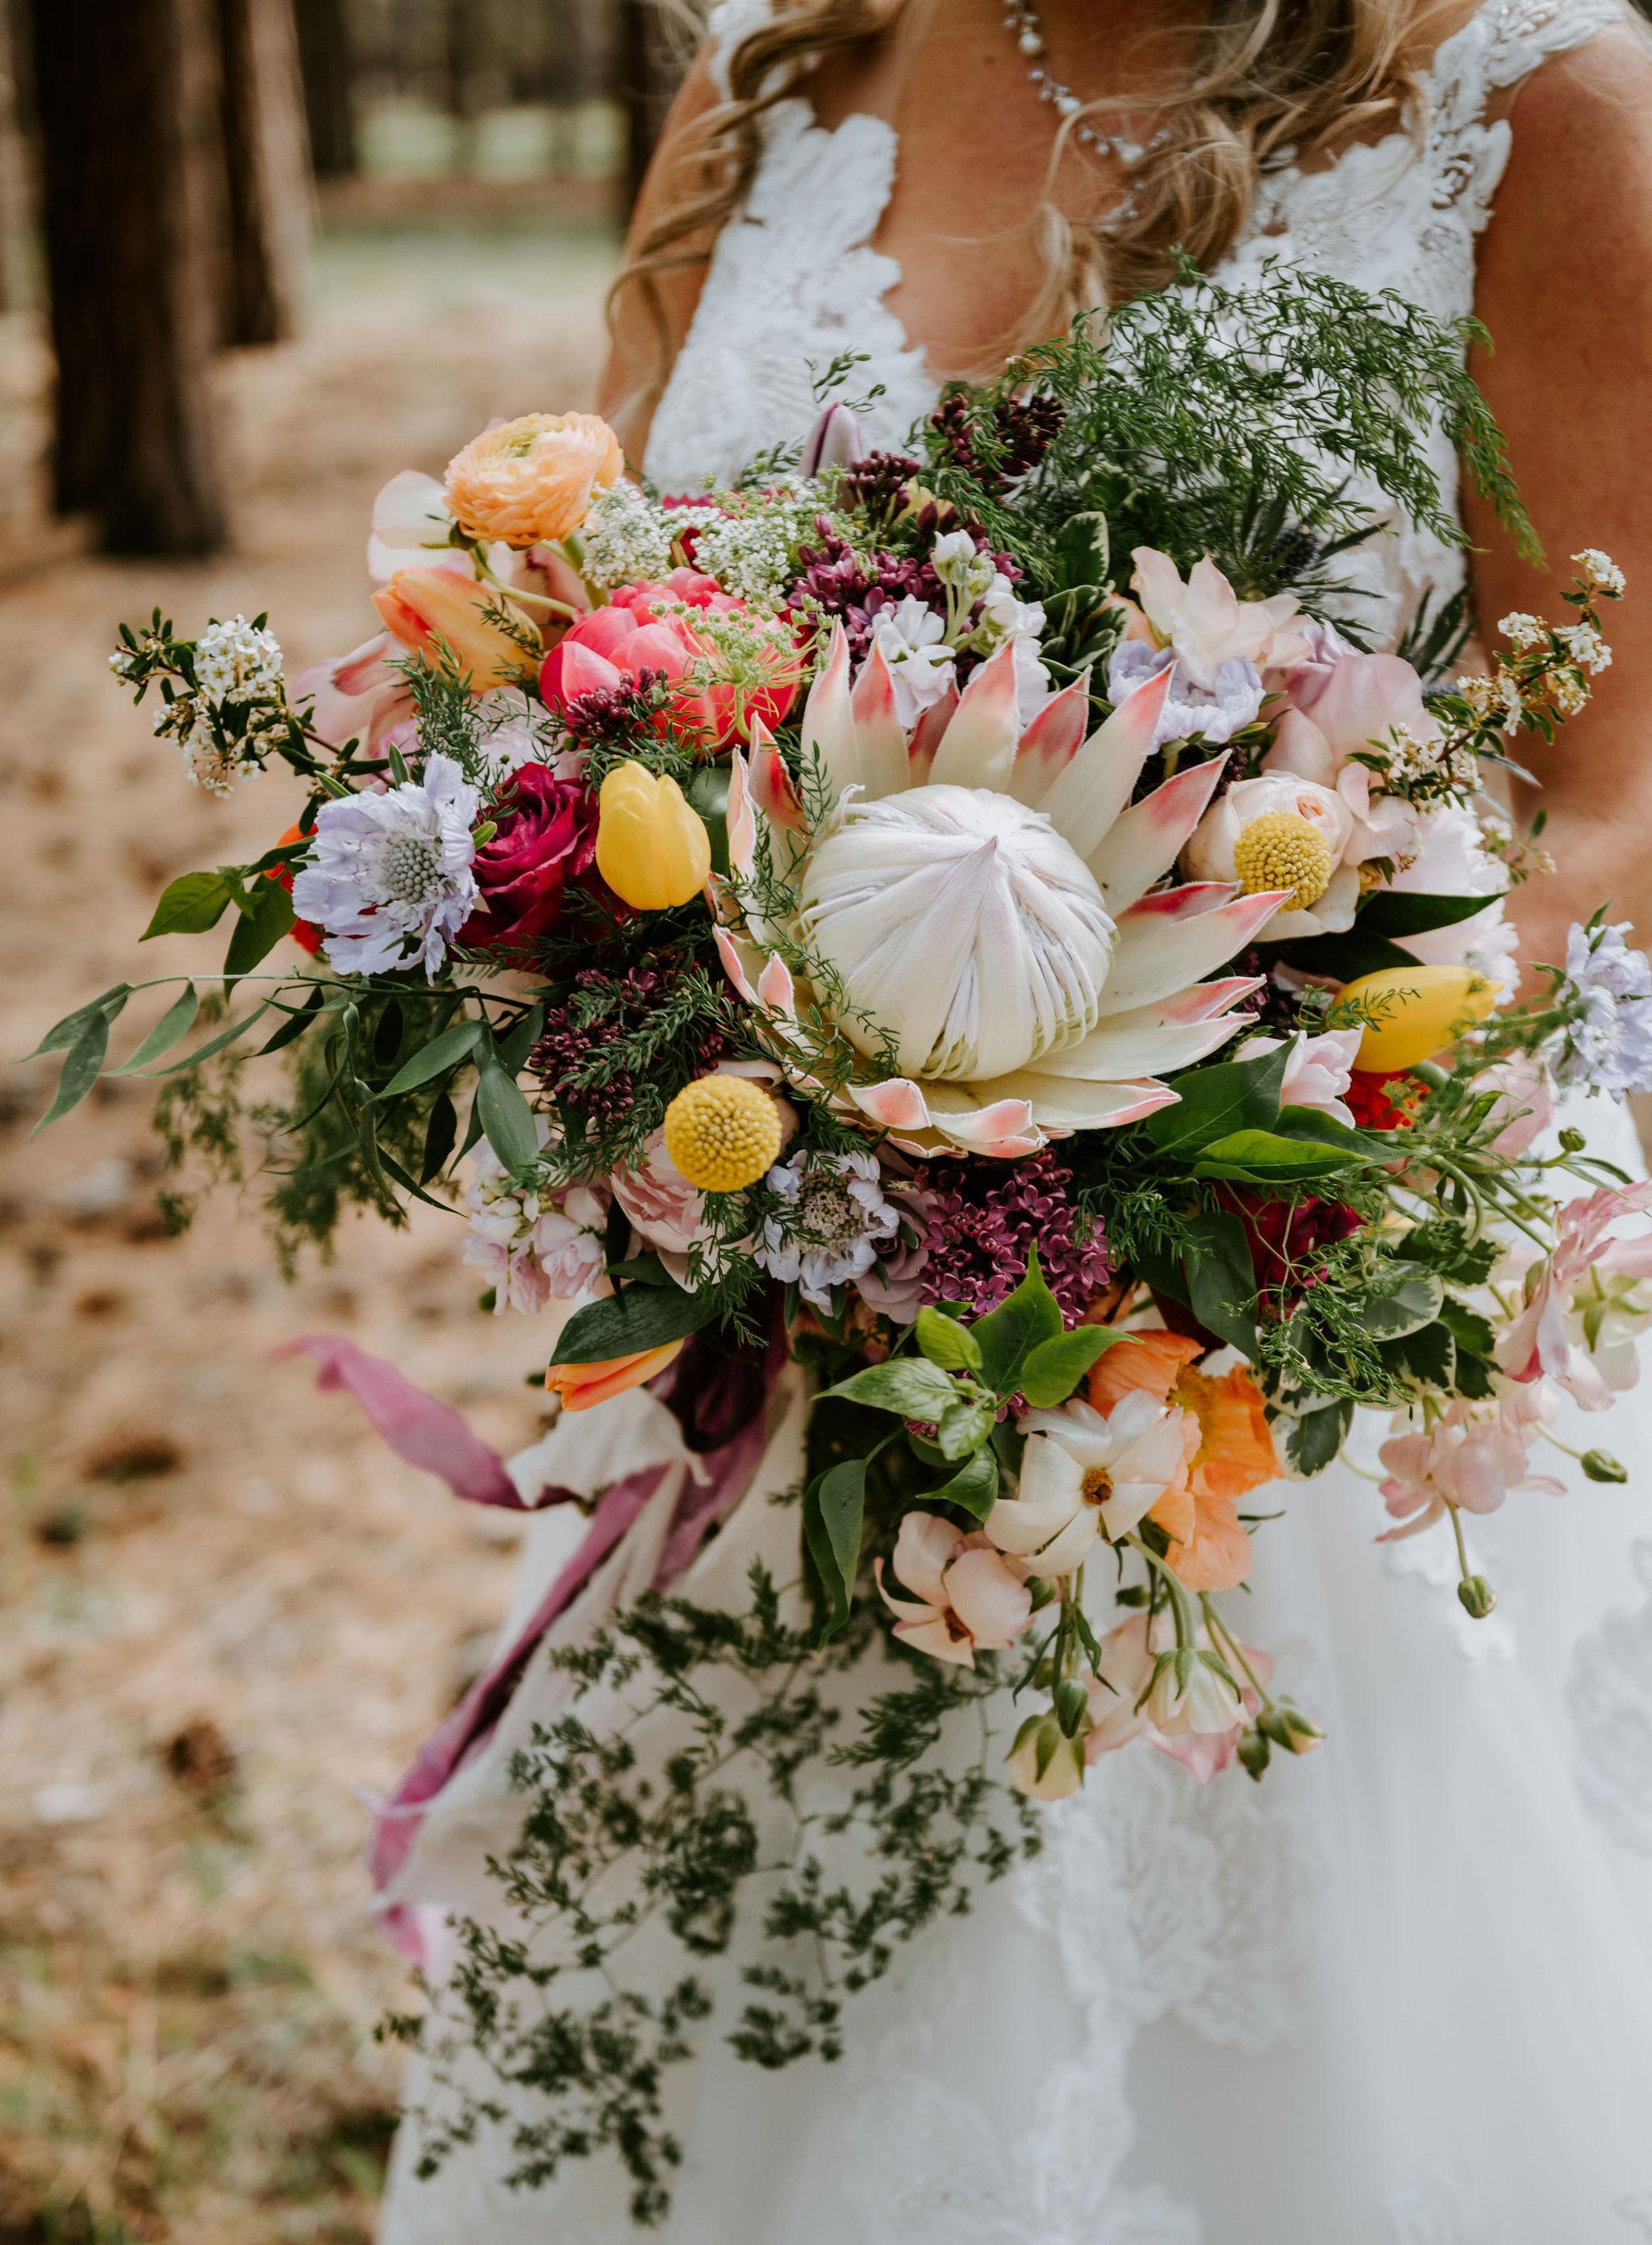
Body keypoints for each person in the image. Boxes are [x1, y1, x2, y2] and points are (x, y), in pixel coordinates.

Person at [378, 6, 1652, 2238]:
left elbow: (1618, 798)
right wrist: (634, 1015)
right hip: (774, 1350)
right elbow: (602, 643)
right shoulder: (771, 81)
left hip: (1266, 1372)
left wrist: (1159, 1129)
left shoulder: (1541, 107)